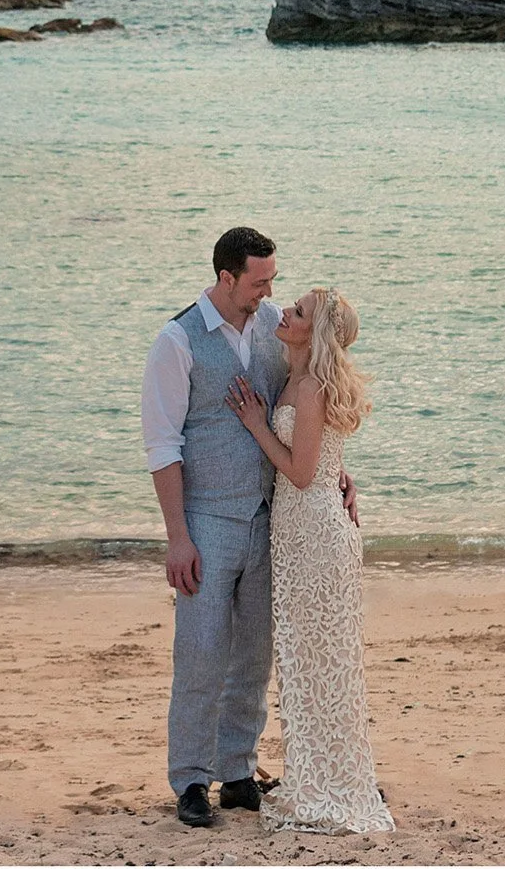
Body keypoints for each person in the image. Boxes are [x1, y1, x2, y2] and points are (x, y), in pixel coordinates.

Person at [141, 227, 356, 828]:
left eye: (273, 281)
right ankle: (189, 778)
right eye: (259, 282)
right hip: (207, 519)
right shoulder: (176, 341)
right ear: (226, 277)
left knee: (253, 657)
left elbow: (302, 413)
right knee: (201, 652)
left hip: (271, 519)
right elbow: (162, 446)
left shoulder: (271, 329)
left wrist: (340, 472)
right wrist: (177, 535)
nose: (269, 292)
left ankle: (236, 771)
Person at [226, 287, 394, 834]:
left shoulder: (311, 385)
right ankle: (318, 772)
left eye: (297, 312)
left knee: (319, 662)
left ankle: (329, 781)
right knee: (308, 660)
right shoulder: (297, 376)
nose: (285, 314)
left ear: (312, 332)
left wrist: (255, 424)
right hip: (304, 530)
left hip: (315, 534)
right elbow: (320, 462)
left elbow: (300, 472)